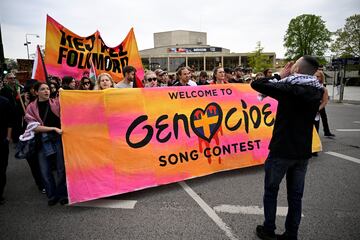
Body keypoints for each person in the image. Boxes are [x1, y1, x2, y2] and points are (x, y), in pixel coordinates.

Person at [251, 56, 323, 240]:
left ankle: (269, 230)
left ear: (296, 68)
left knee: (271, 191)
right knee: (295, 196)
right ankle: (292, 234)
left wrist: (279, 75)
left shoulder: (290, 88)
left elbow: (257, 84)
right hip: (302, 152)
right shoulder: (317, 90)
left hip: (281, 150)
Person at [24, 82, 68, 206]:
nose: (46, 91)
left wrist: (64, 94)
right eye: (42, 89)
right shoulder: (31, 107)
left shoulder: (56, 103)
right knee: (45, 170)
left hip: (58, 139)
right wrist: (53, 129)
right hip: (41, 142)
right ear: (36, 92)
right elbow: (34, 127)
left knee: (60, 168)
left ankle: (62, 194)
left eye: (48, 89)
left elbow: (70, 107)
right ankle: (52, 195)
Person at [0, 73, 24, 142]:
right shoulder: (4, 90)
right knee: (11, 125)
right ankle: (11, 137)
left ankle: (17, 138)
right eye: (11, 78)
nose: (13, 79)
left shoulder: (18, 88)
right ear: (7, 79)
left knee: (18, 124)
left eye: (14, 78)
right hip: (9, 112)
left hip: (18, 111)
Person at [0, 96, 14, 205]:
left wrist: (8, 137)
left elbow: (10, 121)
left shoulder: (4, 101)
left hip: (2, 140)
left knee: (2, 167)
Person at [314, 70, 335, 137]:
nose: (316, 78)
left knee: (323, 118)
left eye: (318, 76)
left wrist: (318, 109)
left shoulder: (323, 89)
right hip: (313, 106)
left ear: (321, 78)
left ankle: (326, 132)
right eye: (314, 76)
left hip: (320, 105)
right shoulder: (310, 86)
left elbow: (325, 101)